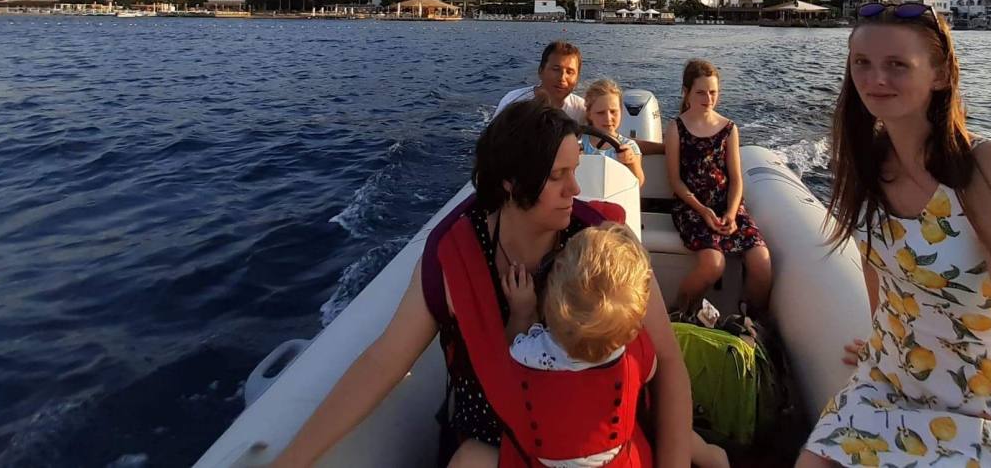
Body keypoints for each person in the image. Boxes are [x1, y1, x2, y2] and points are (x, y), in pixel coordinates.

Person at [271, 101, 693, 468]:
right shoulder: (456, 258)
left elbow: (667, 361)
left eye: (575, 170)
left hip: (588, 443)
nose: (575, 188)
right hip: (496, 443)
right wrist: (290, 460)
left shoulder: (603, 247)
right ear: (511, 182)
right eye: (557, 176)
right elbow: (384, 362)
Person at [796, 3, 991, 468]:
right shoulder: (867, 163)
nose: (875, 79)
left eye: (897, 65)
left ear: (939, 75)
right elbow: (880, 267)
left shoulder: (985, 173)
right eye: (862, 63)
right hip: (889, 382)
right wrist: (879, 339)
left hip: (987, 404)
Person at [452, 223, 729, 468]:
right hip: (621, 462)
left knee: (469, 456)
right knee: (656, 420)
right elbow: (656, 370)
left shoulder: (529, 357)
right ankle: (712, 457)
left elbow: (509, 352)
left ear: (550, 301)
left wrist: (522, 311)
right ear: (632, 328)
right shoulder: (635, 354)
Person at [664, 59, 771, 316]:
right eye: (701, 92)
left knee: (762, 264)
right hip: (692, 209)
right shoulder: (676, 129)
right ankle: (677, 313)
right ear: (686, 92)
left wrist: (732, 214)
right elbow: (675, 181)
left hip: (728, 207)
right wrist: (703, 211)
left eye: (713, 92)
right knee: (713, 264)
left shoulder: (729, 129)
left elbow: (736, 179)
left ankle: (749, 321)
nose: (708, 98)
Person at [493, 40, 586, 123]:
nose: (562, 78)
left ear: (577, 78)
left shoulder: (583, 110)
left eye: (570, 72)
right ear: (541, 71)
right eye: (556, 69)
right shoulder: (512, 102)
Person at [580, 78, 645, 188]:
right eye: (601, 113)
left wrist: (632, 162)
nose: (608, 118)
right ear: (589, 114)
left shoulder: (629, 146)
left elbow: (638, 183)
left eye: (613, 111)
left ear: (621, 111)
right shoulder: (579, 142)